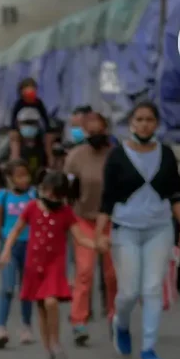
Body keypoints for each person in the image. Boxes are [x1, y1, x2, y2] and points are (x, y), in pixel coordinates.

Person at [96, 100, 180, 359]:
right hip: (125, 229)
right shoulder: (117, 156)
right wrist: (99, 233)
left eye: (149, 120)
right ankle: (121, 324)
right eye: (139, 119)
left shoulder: (167, 154)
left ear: (157, 124)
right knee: (128, 292)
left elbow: (176, 195)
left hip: (159, 228)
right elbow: (107, 199)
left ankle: (149, 348)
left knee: (152, 289)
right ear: (131, 123)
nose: (144, 124)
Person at [0, 170, 97, 359]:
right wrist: (6, 249)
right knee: (41, 307)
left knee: (51, 302)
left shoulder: (66, 212)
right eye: (49, 192)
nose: (51, 198)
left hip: (55, 264)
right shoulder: (32, 207)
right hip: (35, 265)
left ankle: (56, 341)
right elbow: (16, 230)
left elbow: (80, 237)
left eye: (56, 195)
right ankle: (47, 348)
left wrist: (97, 244)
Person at [63, 112, 117, 346]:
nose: (95, 136)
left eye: (99, 132)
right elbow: (68, 191)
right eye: (91, 132)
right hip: (83, 219)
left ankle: (115, 316)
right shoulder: (75, 157)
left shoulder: (115, 156)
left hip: (111, 219)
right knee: (84, 271)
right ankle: (78, 321)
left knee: (112, 274)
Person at [0, 159, 35, 348]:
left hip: (29, 245)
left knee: (27, 288)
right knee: (7, 288)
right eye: (19, 176)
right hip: (9, 246)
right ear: (10, 178)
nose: (24, 180)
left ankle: (26, 325)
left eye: (26, 175)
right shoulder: (3, 196)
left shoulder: (33, 195)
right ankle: (0, 327)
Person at [8, 78, 54, 167]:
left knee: (48, 140)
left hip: (36, 131)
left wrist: (48, 130)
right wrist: (14, 130)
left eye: (32, 88)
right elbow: (13, 119)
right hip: (20, 131)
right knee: (14, 140)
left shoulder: (38, 103)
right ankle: (15, 162)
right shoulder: (19, 104)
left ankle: (50, 161)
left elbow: (45, 118)